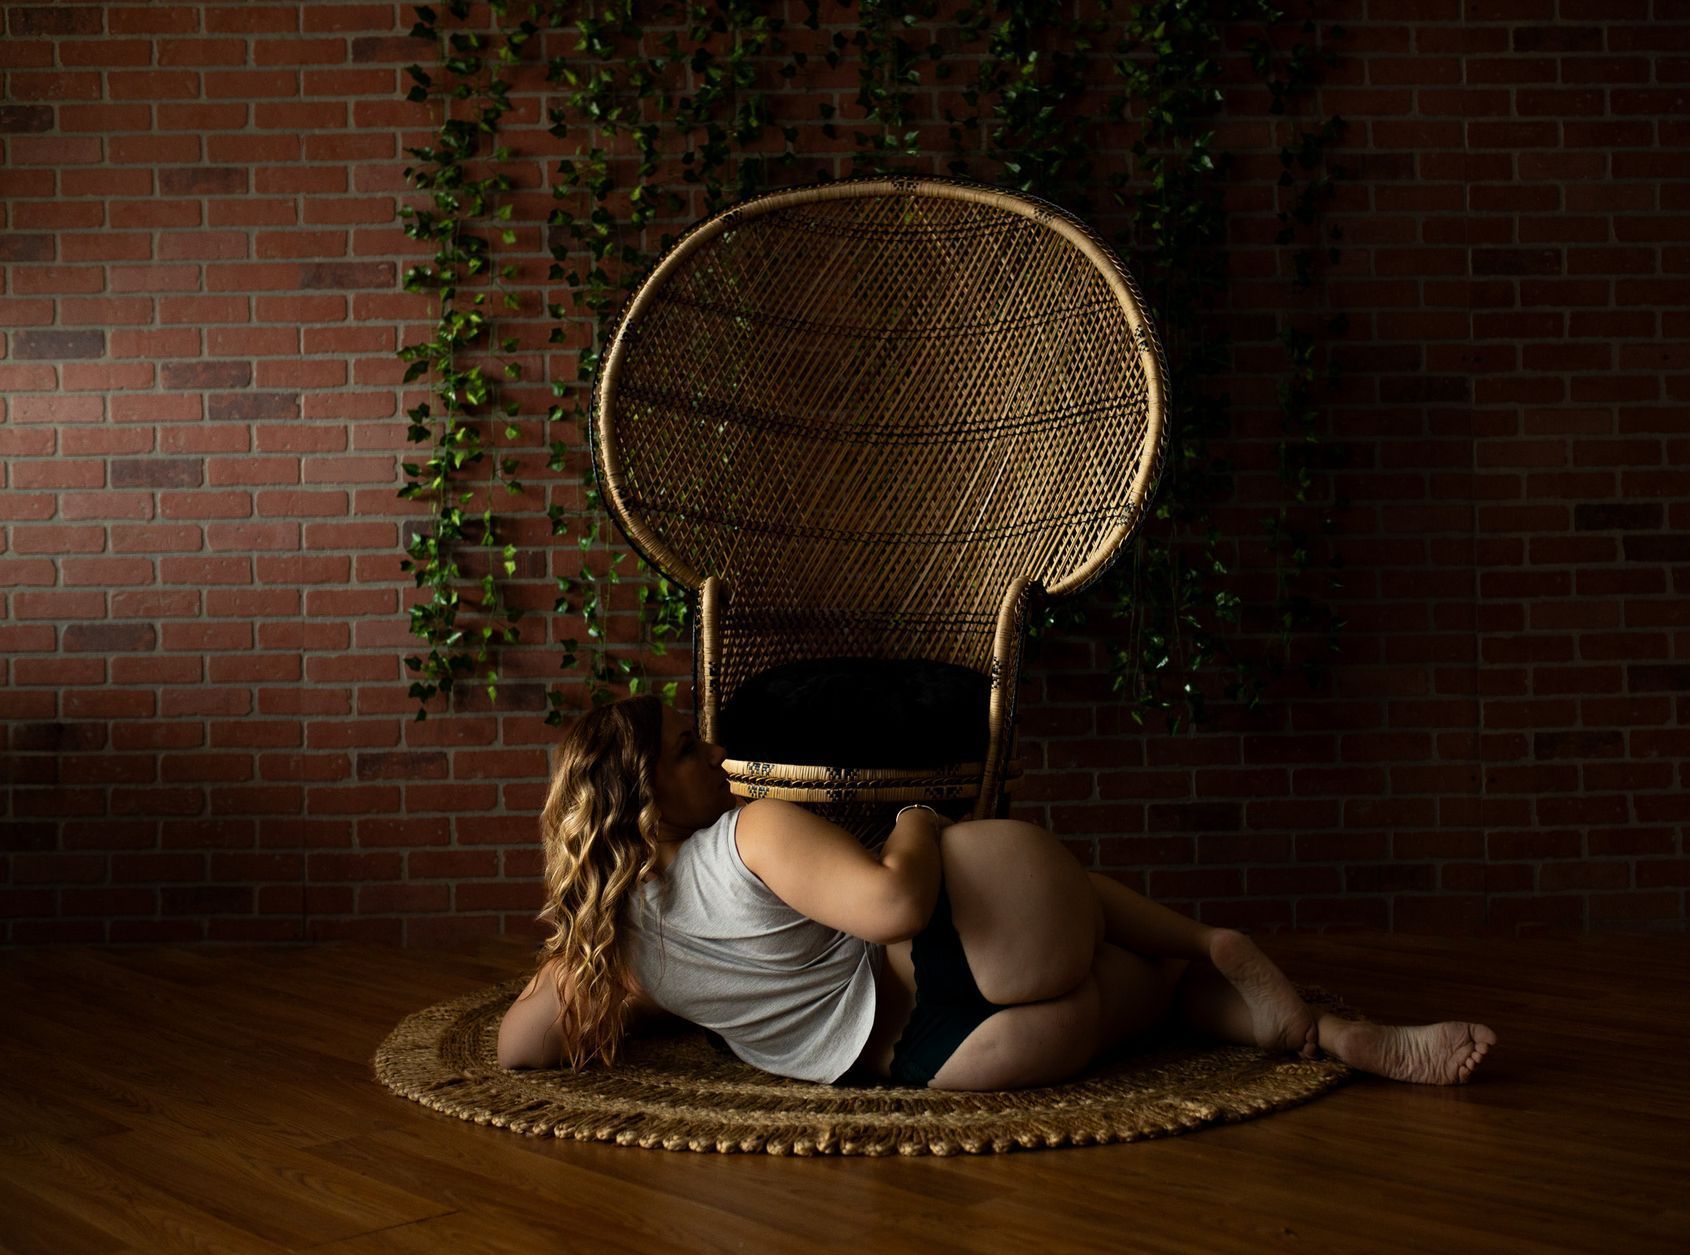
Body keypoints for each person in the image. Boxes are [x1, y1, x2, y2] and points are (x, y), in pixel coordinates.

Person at [497, 694, 1497, 1090]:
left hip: (937, 1062)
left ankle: (1304, 1033)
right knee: (1038, 902)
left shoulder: (626, 942)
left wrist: (615, 980)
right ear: (643, 798)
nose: (712, 748)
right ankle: (1211, 944)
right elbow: (893, 906)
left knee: (1129, 1007)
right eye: (685, 747)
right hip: (957, 949)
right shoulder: (748, 830)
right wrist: (916, 827)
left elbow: (518, 1046)